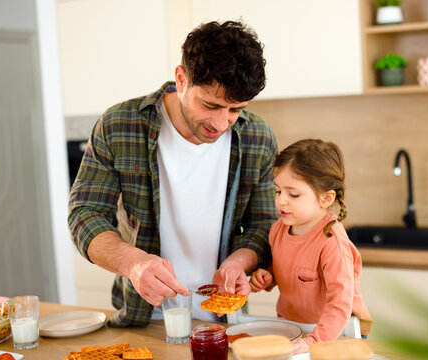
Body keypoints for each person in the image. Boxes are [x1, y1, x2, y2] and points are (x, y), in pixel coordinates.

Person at [68, 20, 279, 326]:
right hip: (142, 320)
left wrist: (238, 261)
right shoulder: (119, 125)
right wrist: (134, 263)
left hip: (223, 321)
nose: (221, 124)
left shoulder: (258, 137)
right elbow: (84, 214)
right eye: (210, 105)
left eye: (235, 110)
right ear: (181, 78)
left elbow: (264, 224)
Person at [249, 139, 372, 354]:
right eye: (278, 191)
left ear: (326, 198)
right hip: (295, 328)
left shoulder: (332, 243)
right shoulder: (279, 228)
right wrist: (268, 275)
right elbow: (286, 265)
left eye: (293, 194)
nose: (281, 201)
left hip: (339, 332)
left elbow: (339, 304)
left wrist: (315, 340)